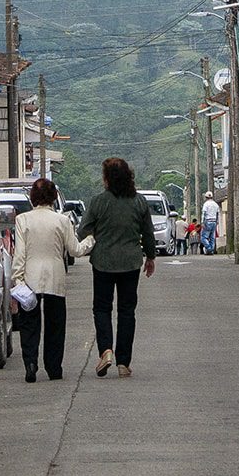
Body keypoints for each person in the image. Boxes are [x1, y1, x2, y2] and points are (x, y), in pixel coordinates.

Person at [78, 157, 156, 378]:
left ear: (107, 179)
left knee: (102, 308)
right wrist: (150, 257)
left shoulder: (98, 202)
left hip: (103, 262)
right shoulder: (139, 202)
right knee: (127, 310)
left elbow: (84, 229)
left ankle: (106, 350)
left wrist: (96, 238)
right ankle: (124, 361)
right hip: (131, 262)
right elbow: (148, 234)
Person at [12, 178, 93, 382]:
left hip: (29, 278)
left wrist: (17, 279)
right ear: (54, 197)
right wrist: (91, 239)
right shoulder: (62, 220)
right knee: (55, 325)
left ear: (33, 197)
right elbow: (75, 249)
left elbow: (20, 254)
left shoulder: (23, 220)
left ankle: (30, 363)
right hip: (55, 277)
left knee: (29, 324)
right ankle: (54, 367)